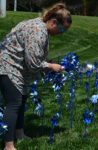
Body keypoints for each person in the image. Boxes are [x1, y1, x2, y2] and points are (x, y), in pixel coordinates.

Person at [0, 3, 72, 150]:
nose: (62, 33)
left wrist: (49, 63)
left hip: (16, 66)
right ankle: (8, 145)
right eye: (62, 29)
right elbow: (33, 63)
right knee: (14, 103)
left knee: (21, 99)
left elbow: (35, 56)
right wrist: (51, 67)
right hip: (7, 64)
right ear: (53, 22)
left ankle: (19, 133)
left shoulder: (39, 25)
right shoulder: (38, 31)